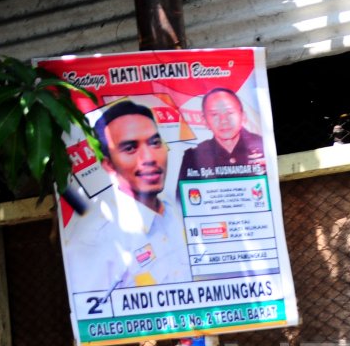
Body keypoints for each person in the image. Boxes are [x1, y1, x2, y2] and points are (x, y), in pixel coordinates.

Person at [63, 100, 192, 293]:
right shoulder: (95, 238)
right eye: (130, 148)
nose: (148, 157)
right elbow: (91, 315)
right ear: (108, 165)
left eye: (155, 143)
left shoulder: (176, 213)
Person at [178, 88, 267, 181]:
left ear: (243, 116)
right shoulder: (193, 157)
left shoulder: (263, 146)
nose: (224, 120)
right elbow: (183, 194)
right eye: (215, 114)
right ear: (205, 121)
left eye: (229, 112)